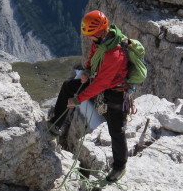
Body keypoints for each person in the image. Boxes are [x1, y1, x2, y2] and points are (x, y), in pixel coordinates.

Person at [48, 10, 129, 182]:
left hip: (116, 92)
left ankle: (119, 166)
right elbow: (93, 57)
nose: (89, 38)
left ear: (99, 32)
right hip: (100, 83)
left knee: (116, 130)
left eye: (91, 35)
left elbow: (102, 83)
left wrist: (78, 100)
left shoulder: (114, 54)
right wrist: (86, 70)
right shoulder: (100, 43)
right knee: (68, 86)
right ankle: (55, 126)